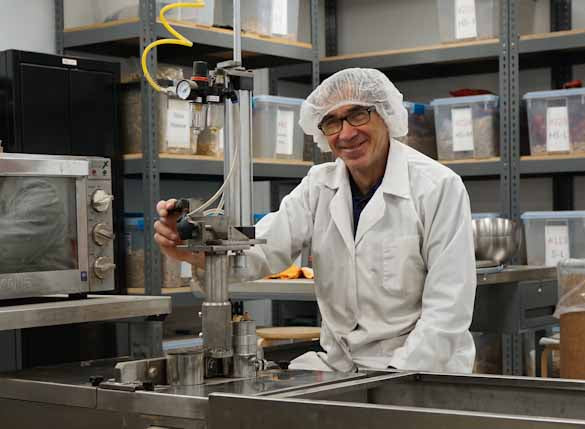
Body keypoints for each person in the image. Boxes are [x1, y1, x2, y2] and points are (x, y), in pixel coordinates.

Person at [155, 68, 477, 373]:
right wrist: (192, 253)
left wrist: (394, 376)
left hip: (420, 371)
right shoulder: (318, 185)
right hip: (341, 369)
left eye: (357, 114)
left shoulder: (437, 187)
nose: (347, 133)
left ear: (386, 115)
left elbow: (446, 311)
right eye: (332, 122)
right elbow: (261, 250)